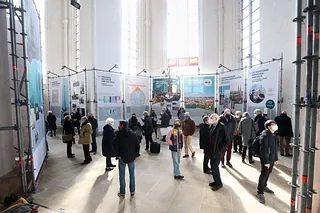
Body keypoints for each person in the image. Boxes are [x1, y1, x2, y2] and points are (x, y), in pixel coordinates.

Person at [114, 121, 140, 198]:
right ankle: (132, 191)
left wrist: (117, 155)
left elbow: (116, 146)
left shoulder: (118, 134)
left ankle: (122, 192)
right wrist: (136, 154)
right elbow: (137, 145)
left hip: (122, 157)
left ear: (122, 126)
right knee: (132, 174)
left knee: (122, 175)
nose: (118, 126)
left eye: (119, 125)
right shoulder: (133, 134)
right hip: (131, 157)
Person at [256, 120, 279, 204]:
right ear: (268, 126)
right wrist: (266, 161)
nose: (275, 126)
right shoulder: (265, 135)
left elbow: (275, 148)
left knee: (269, 172)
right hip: (266, 159)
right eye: (273, 124)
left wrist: (276, 159)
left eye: (275, 124)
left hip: (272, 158)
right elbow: (263, 150)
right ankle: (260, 192)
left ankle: (264, 186)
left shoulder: (274, 135)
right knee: (264, 173)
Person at [208, 113, 228, 191]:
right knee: (212, 166)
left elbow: (227, 140)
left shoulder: (222, 127)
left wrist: (221, 148)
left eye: (211, 118)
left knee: (214, 167)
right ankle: (216, 181)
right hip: (212, 150)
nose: (210, 119)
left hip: (218, 151)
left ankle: (219, 183)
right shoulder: (212, 126)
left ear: (216, 119)